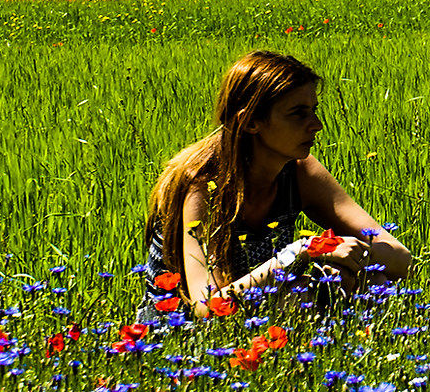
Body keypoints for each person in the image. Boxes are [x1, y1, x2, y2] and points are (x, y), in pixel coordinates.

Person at [143, 50, 411, 317]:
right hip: (178, 335)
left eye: (314, 111)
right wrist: (300, 251)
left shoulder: (299, 171)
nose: (316, 125)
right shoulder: (203, 185)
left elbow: (400, 258)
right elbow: (208, 308)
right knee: (298, 296)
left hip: (259, 309)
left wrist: (335, 255)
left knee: (368, 281)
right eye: (298, 113)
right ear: (249, 122)